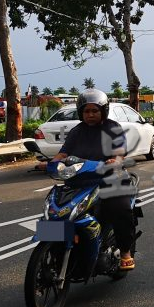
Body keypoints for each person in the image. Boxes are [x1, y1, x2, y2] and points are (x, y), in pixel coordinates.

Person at [51, 89, 137, 270]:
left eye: (94, 111)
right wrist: (52, 162)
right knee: (55, 214)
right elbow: (64, 152)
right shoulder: (76, 131)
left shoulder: (113, 128)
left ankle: (125, 253)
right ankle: (53, 256)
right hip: (80, 181)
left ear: (103, 111)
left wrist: (116, 160)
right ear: (80, 112)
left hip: (111, 180)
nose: (90, 115)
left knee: (119, 208)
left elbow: (120, 151)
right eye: (86, 111)